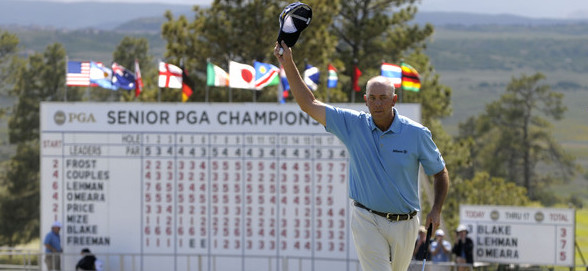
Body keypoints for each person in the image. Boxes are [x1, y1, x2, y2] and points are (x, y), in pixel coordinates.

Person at [274, 41, 450, 271]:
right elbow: (309, 104)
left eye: (383, 98)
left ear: (394, 100)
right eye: (373, 98)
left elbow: (440, 173)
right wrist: (288, 62)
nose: (378, 104)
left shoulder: (416, 134)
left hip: (406, 224)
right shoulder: (352, 124)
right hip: (366, 218)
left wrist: (436, 209)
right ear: (365, 100)